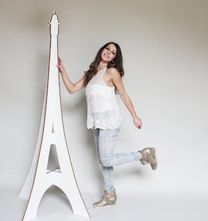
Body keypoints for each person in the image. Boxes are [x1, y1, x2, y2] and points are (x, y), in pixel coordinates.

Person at [57, 41, 157, 208]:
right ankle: (110, 194)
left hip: (109, 121)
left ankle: (144, 154)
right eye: (107, 49)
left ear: (114, 59)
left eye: (113, 53)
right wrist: (63, 71)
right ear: (102, 50)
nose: (109, 53)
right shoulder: (92, 73)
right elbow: (72, 88)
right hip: (97, 122)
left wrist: (135, 116)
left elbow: (124, 95)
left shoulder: (112, 72)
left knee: (106, 159)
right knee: (105, 161)